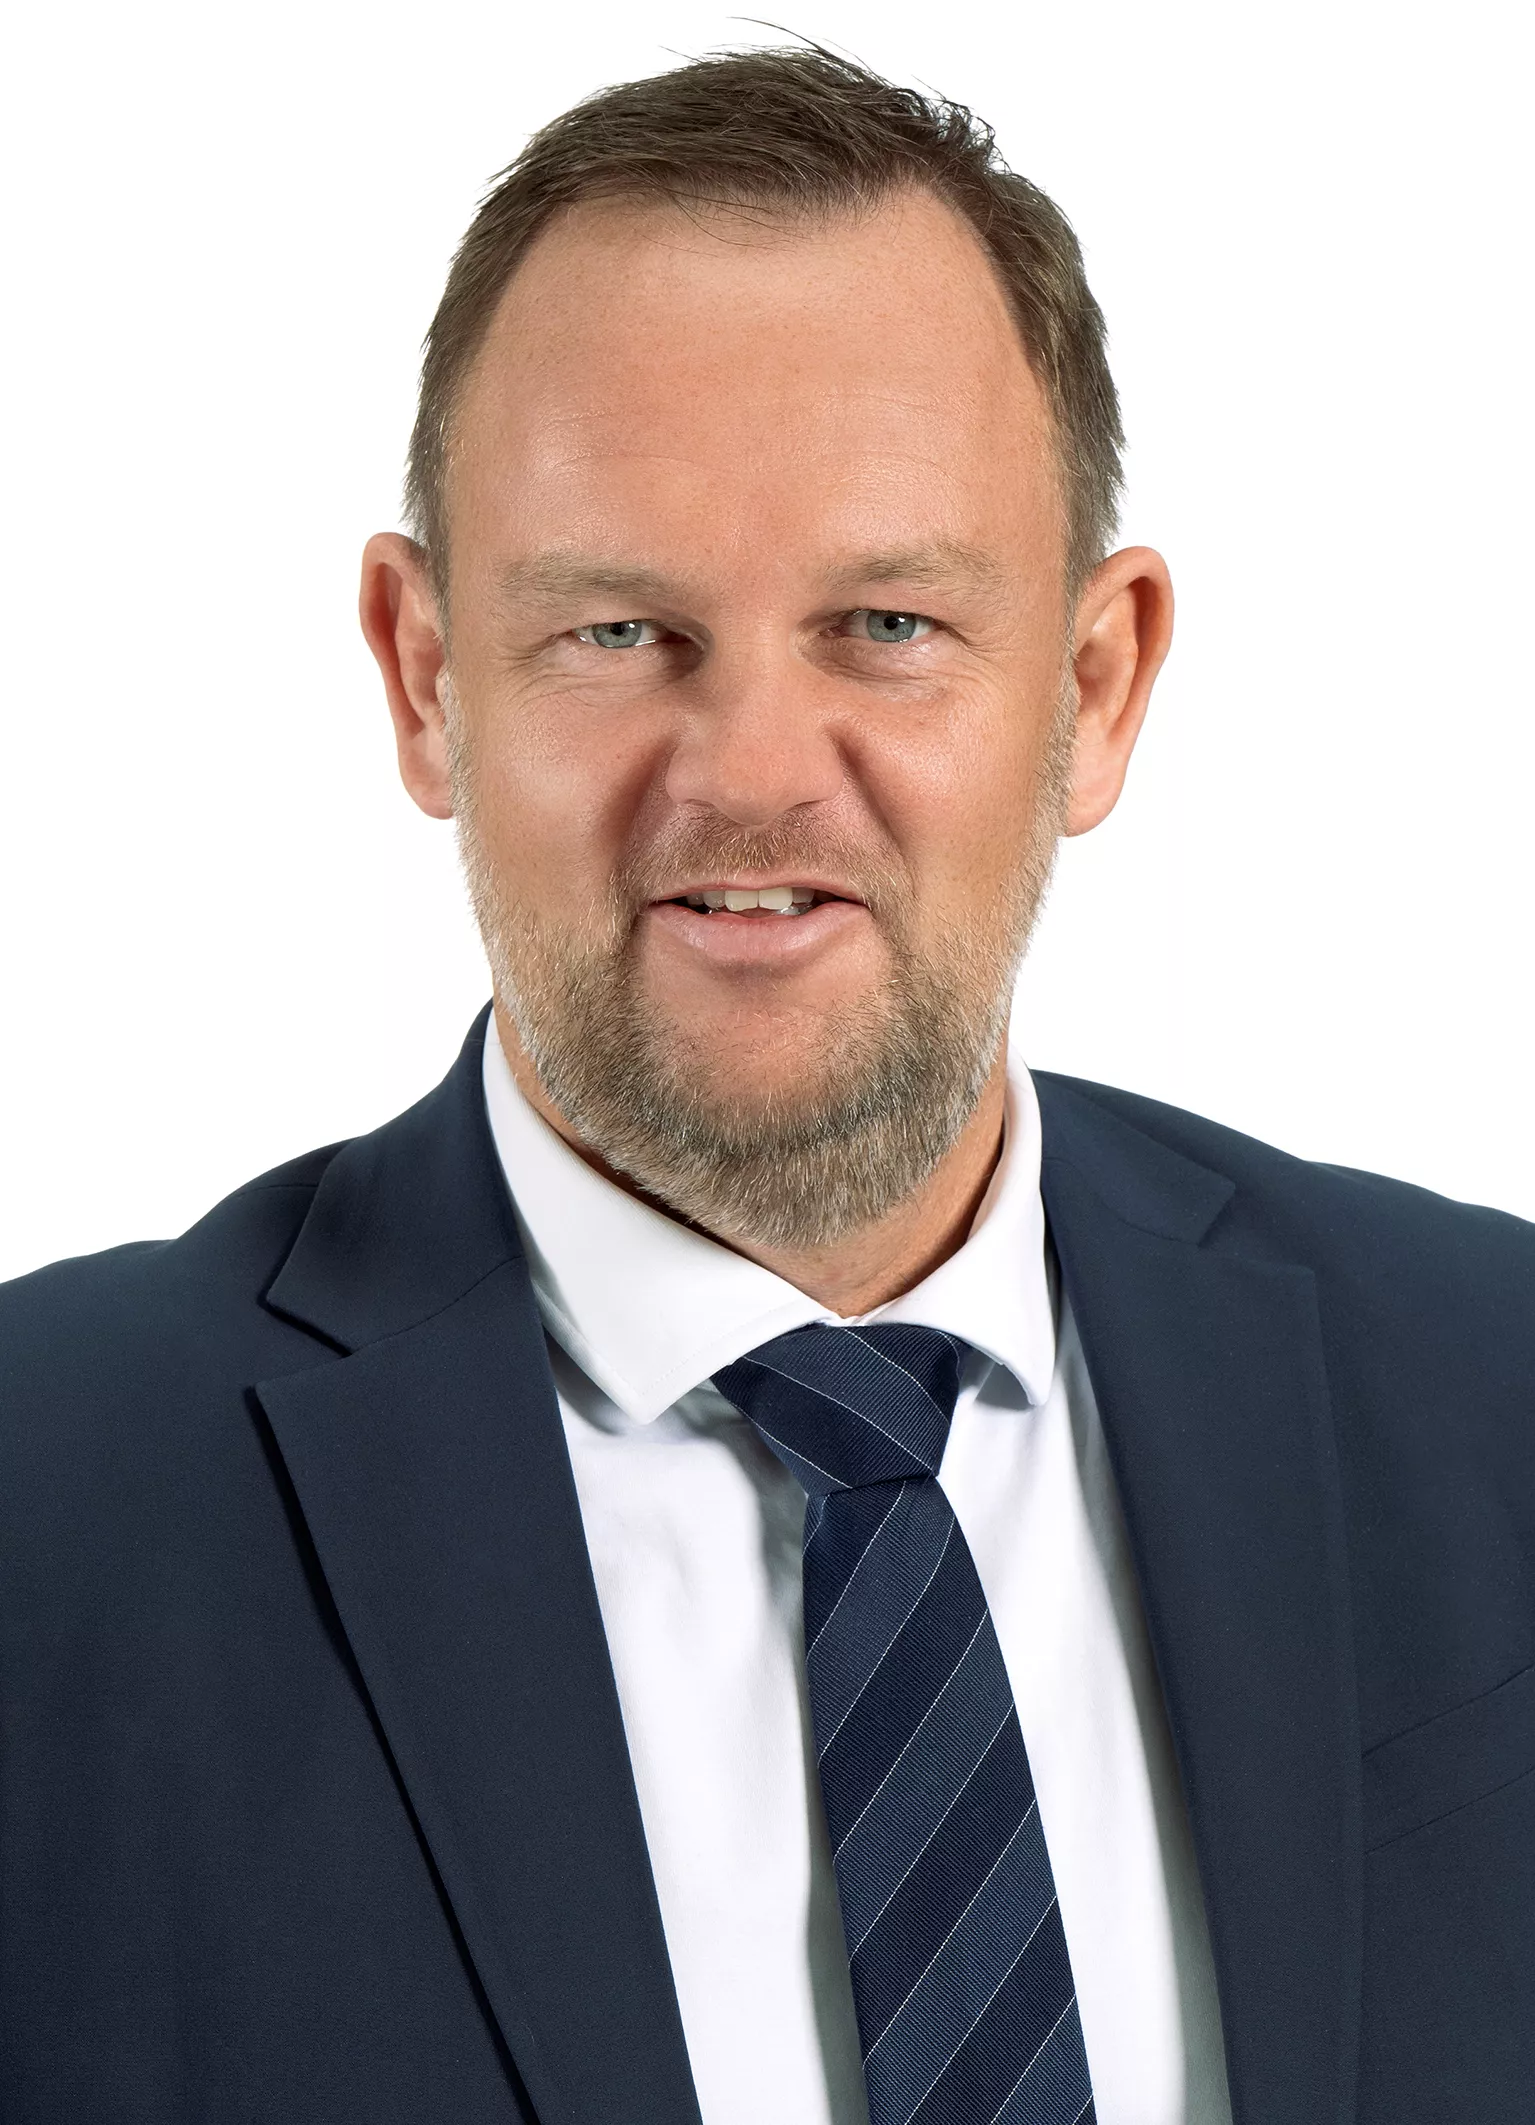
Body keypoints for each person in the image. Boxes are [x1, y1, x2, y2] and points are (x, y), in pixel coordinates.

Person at [2, 42, 1531, 2125]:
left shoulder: (1492, 1392)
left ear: (1093, 688)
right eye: (619, 631)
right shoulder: (45, 1511)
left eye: (884, 621)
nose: (745, 772)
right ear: (425, 676)